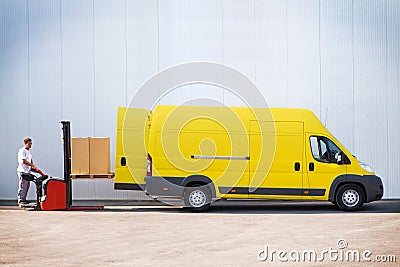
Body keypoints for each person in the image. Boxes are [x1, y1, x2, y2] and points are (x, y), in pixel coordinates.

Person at [17, 137, 38, 205]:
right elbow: (24, 161)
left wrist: (32, 167)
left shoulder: (29, 151)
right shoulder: (22, 150)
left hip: (27, 171)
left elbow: (30, 160)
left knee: (27, 185)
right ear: (25, 143)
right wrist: (32, 165)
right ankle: (21, 199)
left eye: (31, 143)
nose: (30, 145)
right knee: (23, 185)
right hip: (22, 170)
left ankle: (24, 199)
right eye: (29, 143)